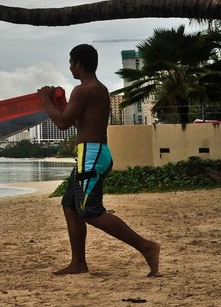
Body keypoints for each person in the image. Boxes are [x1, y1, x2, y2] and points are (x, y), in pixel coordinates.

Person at [38, 44, 161, 277]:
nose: (69, 67)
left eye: (70, 62)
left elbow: (62, 124)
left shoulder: (83, 90)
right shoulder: (98, 89)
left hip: (91, 156)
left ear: (78, 64)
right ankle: (78, 263)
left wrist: (45, 100)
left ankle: (147, 247)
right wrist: (62, 106)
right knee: (70, 205)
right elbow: (77, 122)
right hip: (93, 154)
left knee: (90, 211)